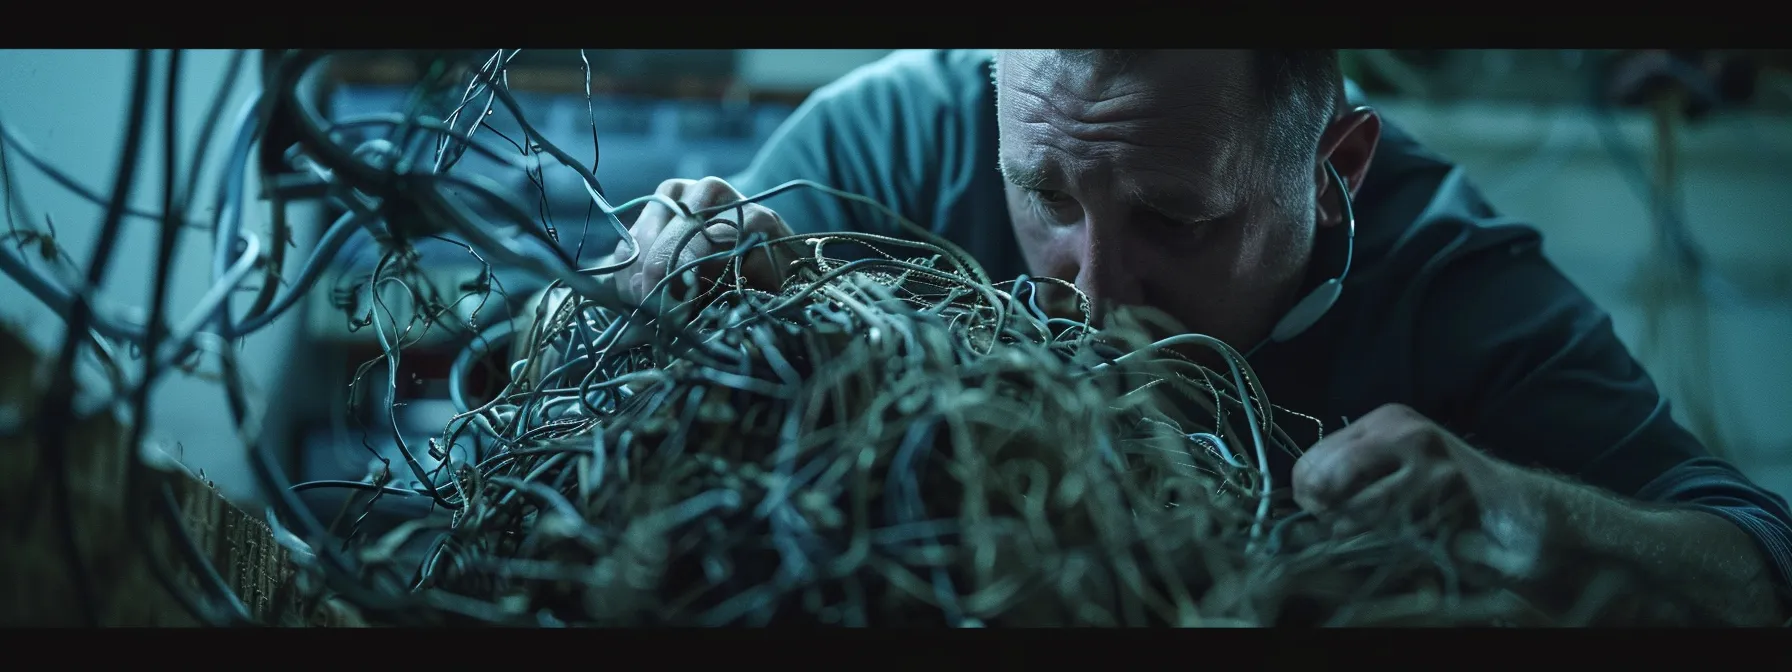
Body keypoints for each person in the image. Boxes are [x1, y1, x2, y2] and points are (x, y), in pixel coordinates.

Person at [610, 49, 1791, 624]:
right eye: (1050, 201)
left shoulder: (1444, 275)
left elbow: (1754, 562)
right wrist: (645, 283)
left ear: (1336, 171)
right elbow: (563, 362)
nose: (1093, 288)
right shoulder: (881, 148)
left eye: (1174, 219)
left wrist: (1531, 513)